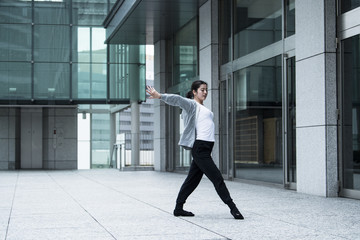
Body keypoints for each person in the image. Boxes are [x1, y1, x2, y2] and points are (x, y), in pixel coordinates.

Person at [146, 80, 244, 220]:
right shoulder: (192, 105)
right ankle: (233, 208)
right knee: (217, 178)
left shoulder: (204, 108)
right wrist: (160, 96)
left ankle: (178, 208)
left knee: (192, 180)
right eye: (202, 90)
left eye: (206, 90)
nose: (205, 92)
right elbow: (177, 100)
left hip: (206, 148)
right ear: (194, 92)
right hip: (200, 148)